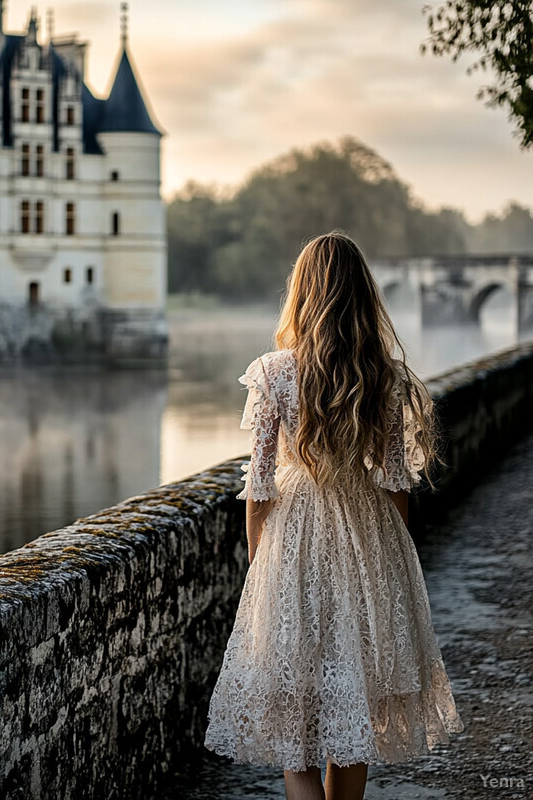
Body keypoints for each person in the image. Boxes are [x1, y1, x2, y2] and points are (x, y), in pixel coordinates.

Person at [203, 232, 465, 800]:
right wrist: (389, 560)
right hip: (368, 533)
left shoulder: (274, 373)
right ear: (361, 294)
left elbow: (260, 484)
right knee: (355, 718)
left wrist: (260, 561)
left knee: (293, 732)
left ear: (304, 292)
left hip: (294, 539)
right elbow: (397, 483)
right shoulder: (387, 377)